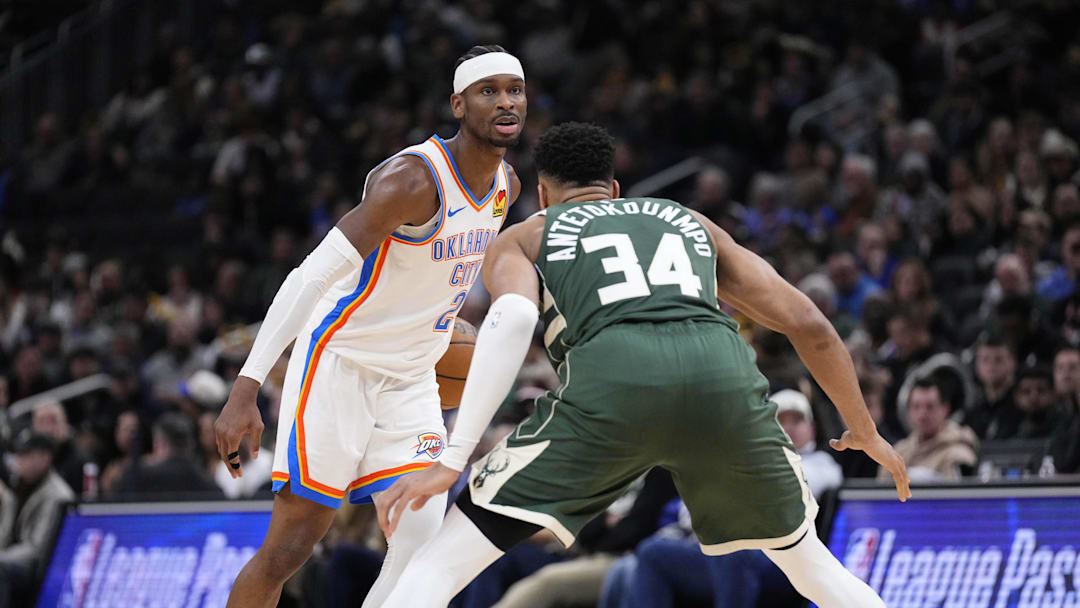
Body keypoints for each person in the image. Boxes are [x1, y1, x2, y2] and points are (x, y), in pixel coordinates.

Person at [375, 122, 908, 608]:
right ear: (614, 190)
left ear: (542, 195)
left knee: (439, 567)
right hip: (722, 380)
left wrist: (454, 456)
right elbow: (809, 323)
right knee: (813, 568)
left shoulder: (528, 234)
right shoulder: (690, 221)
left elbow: (511, 321)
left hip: (612, 385)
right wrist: (865, 431)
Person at [214, 45, 525, 608]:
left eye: (515, 90)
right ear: (458, 104)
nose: (505, 101)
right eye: (489, 91)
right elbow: (309, 279)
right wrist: (247, 386)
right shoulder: (412, 180)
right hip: (341, 364)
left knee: (420, 545)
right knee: (289, 551)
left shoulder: (509, 186)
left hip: (413, 377)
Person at [0, 434, 76, 606]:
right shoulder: (17, 487)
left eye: (26, 456)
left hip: (41, 564)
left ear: (45, 457)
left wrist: (2, 556)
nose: (19, 462)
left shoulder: (57, 495)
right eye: (18, 456)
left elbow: (37, 547)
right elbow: (4, 534)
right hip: (13, 558)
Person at [879, 376, 978, 482]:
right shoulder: (897, 453)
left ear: (945, 409)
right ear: (908, 411)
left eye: (930, 407)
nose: (922, 415)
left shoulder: (958, 456)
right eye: (916, 406)